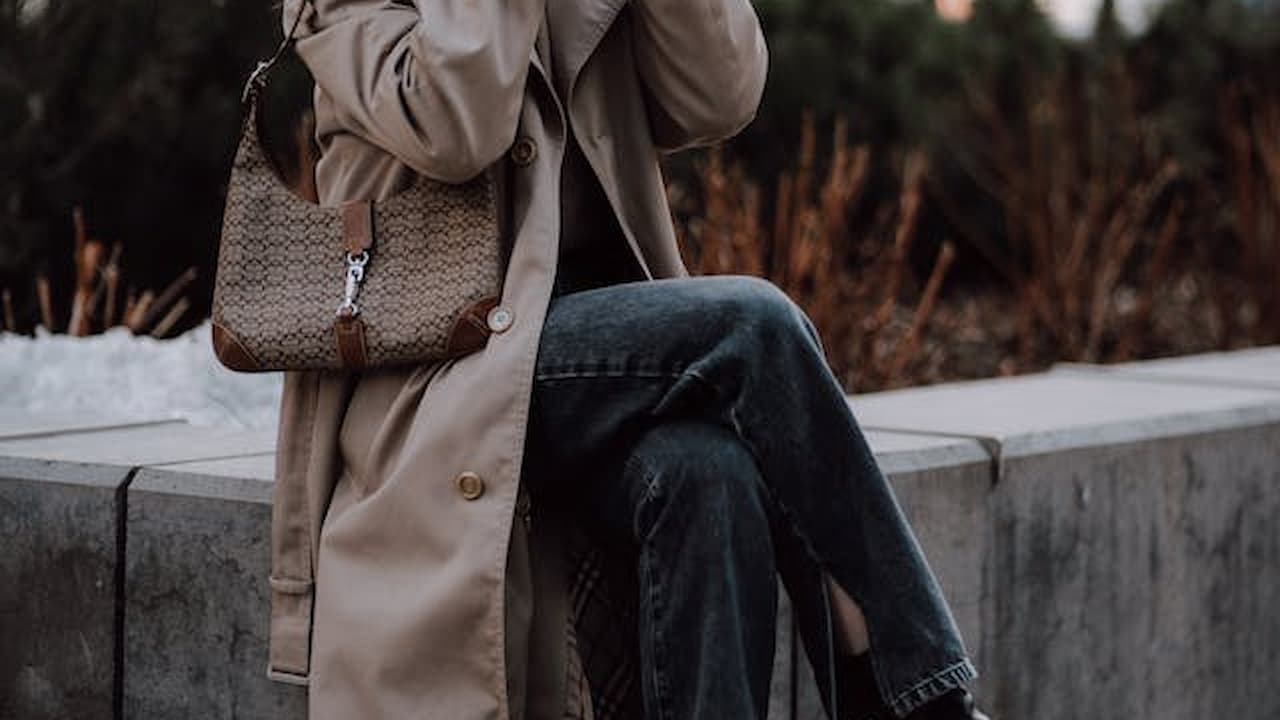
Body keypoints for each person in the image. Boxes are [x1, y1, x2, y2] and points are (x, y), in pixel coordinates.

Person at [265, 0, 987, 718]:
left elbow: (715, 99)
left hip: (597, 349)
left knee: (707, 471)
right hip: (445, 366)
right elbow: (460, 124)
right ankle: (917, 701)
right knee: (755, 325)